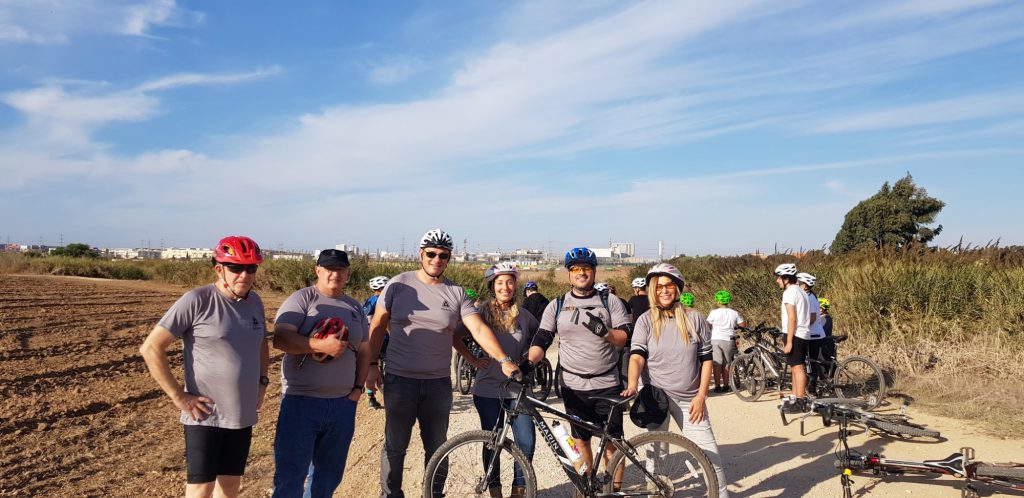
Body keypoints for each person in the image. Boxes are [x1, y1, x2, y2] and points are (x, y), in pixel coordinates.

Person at [363, 228, 520, 498]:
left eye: (443, 255)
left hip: (437, 384)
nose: (437, 259)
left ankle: (433, 494)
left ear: (449, 258)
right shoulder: (398, 284)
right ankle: (390, 495)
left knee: (438, 448)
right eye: (432, 254)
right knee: (395, 446)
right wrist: (371, 366)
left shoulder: (455, 292)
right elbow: (377, 325)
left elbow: (478, 329)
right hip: (400, 381)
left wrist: (504, 359)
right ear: (421, 254)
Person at [140, 235, 270, 498]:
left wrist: (263, 381)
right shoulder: (197, 300)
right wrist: (179, 396)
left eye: (251, 268)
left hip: (241, 414)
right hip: (205, 414)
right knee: (201, 489)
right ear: (219, 268)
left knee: (230, 488)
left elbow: (261, 343)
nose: (244, 275)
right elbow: (151, 348)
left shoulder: (255, 302)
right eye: (236, 268)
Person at [269, 249, 372, 498]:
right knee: (290, 477)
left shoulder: (354, 307)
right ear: (318, 270)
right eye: (329, 268)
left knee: (327, 477)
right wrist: (318, 345)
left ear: (347, 273)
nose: (335, 274)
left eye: (340, 269)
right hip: (301, 402)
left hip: (342, 404)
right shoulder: (302, 299)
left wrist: (358, 389)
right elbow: (280, 338)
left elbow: (364, 350)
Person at [623, 263, 728, 498]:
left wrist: (702, 395)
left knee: (710, 457)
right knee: (656, 459)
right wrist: (632, 384)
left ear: (677, 288)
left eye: (669, 285)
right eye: (658, 286)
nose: (664, 290)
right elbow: (637, 357)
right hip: (656, 398)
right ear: (652, 290)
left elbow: (706, 360)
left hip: (689, 399)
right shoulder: (645, 321)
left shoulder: (694, 318)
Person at [526, 247, 631, 479]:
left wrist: (605, 332)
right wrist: (528, 364)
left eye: (586, 268)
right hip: (574, 387)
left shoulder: (610, 301)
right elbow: (542, 339)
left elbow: (624, 337)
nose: (581, 273)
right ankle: (587, 488)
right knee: (581, 442)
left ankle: (614, 490)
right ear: (569, 274)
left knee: (612, 444)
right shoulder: (557, 304)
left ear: (594, 272)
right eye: (576, 269)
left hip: (607, 383)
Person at [455, 263, 538, 498]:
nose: (505, 287)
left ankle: (519, 491)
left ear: (515, 285)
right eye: (500, 283)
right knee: (492, 441)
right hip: (488, 388)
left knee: (526, 442)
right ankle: (495, 491)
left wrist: (530, 357)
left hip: (518, 388)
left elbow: (541, 337)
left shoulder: (524, 315)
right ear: (492, 286)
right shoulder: (480, 313)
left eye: (510, 282)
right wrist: (472, 359)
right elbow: (455, 335)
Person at [774, 263, 811, 413]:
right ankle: (795, 398)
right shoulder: (801, 291)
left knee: (798, 368)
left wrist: (789, 341)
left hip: (795, 334)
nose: (777, 281)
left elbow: (792, 318)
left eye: (779, 278)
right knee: (795, 367)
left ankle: (800, 401)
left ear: (786, 279)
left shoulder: (789, 292)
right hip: (802, 333)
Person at [705, 290, 747, 394]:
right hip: (728, 339)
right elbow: (743, 325)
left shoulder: (714, 312)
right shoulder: (734, 312)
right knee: (727, 363)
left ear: (717, 301)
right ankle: (726, 385)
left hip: (715, 339)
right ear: (728, 301)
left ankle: (717, 386)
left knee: (717, 363)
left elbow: (707, 325)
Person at [796, 273, 827, 393]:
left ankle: (811, 387)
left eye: (798, 283)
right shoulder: (808, 295)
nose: (797, 285)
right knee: (810, 361)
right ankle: (812, 386)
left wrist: (797, 326)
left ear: (804, 285)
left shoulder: (809, 298)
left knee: (808, 362)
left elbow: (812, 317)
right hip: (812, 334)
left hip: (812, 335)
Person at [364, 275, 390, 410]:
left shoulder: (368, 302)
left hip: (369, 338)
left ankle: (371, 398)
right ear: (382, 288)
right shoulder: (383, 301)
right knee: (389, 364)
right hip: (384, 338)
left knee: (368, 366)